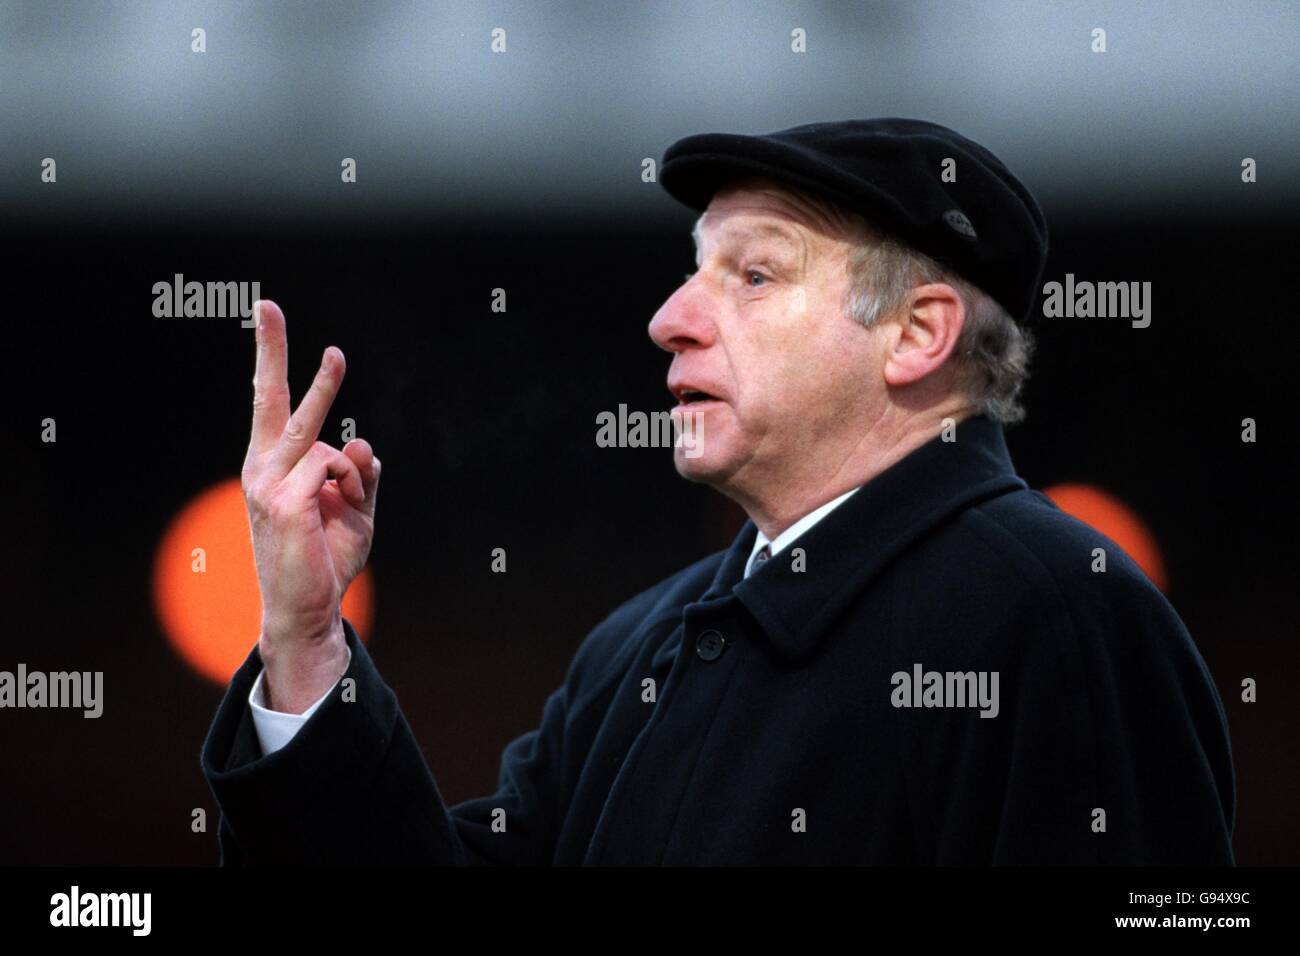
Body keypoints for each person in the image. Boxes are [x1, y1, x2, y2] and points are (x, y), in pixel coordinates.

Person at [201, 118, 1235, 864]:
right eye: (694, 269)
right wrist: (305, 641)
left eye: (752, 274)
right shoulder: (633, 650)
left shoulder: (1063, 616)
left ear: (917, 334)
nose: (668, 318)